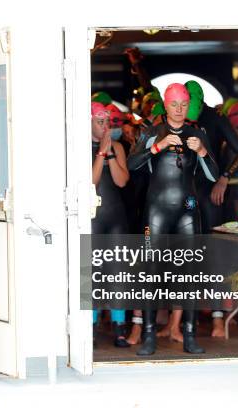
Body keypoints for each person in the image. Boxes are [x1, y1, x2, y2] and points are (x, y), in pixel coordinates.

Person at [128, 83, 218, 356]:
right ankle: (149, 337)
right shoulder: (151, 132)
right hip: (155, 210)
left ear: (188, 105)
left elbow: (214, 174)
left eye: (183, 104)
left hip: (187, 208)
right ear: (165, 105)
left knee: (188, 273)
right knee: (149, 273)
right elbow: (133, 165)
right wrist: (157, 147)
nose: (179, 110)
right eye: (174, 104)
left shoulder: (197, 133)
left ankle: (189, 335)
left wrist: (202, 151)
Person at [184, 81, 238, 337]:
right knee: (185, 253)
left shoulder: (214, 118)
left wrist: (224, 177)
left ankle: (219, 318)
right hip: (186, 194)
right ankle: (183, 321)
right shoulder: (176, 120)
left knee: (214, 255)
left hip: (211, 194)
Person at [90, 102, 130, 347]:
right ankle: (91, 325)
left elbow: (122, 181)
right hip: (93, 217)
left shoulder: (117, 146)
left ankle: (119, 326)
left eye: (107, 122)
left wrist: (111, 152)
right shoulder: (79, 146)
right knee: (93, 274)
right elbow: (91, 182)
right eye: (99, 122)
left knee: (117, 273)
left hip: (116, 216)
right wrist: (101, 153)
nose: (105, 126)